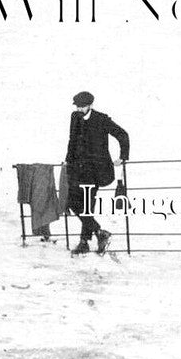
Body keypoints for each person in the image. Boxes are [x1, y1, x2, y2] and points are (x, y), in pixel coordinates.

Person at [65, 91, 129, 256]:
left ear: (90, 105)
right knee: (72, 201)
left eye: (82, 106)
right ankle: (99, 233)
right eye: (77, 106)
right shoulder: (74, 117)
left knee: (87, 206)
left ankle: (84, 242)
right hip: (77, 170)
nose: (79, 109)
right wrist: (67, 162)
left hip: (95, 171)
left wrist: (122, 157)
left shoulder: (101, 119)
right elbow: (71, 141)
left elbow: (122, 135)